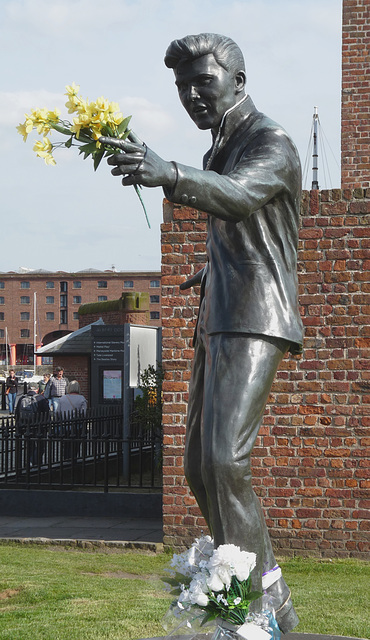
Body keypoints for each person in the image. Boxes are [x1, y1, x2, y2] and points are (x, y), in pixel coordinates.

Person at [100, 33, 303, 633]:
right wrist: (212, 268)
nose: (191, 96)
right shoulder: (220, 147)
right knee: (196, 466)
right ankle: (261, 591)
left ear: (238, 82)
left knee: (225, 460)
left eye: (202, 82)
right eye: (182, 86)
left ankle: (255, 603)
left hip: (256, 316)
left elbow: (240, 199)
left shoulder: (270, 141)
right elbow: (248, 225)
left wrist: (167, 173)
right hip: (218, 310)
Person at [15, 381, 49, 466]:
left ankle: (28, 463)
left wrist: (19, 425)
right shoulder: (41, 399)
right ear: (37, 389)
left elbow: (17, 413)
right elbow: (46, 413)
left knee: (29, 446)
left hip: (25, 426)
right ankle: (36, 462)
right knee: (41, 446)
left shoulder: (22, 398)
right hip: (39, 426)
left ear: (28, 388)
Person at [56, 380, 87, 460]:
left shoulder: (62, 398)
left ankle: (66, 460)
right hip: (77, 426)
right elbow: (84, 413)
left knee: (65, 446)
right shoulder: (82, 399)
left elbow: (57, 412)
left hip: (64, 426)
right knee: (75, 446)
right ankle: (73, 460)